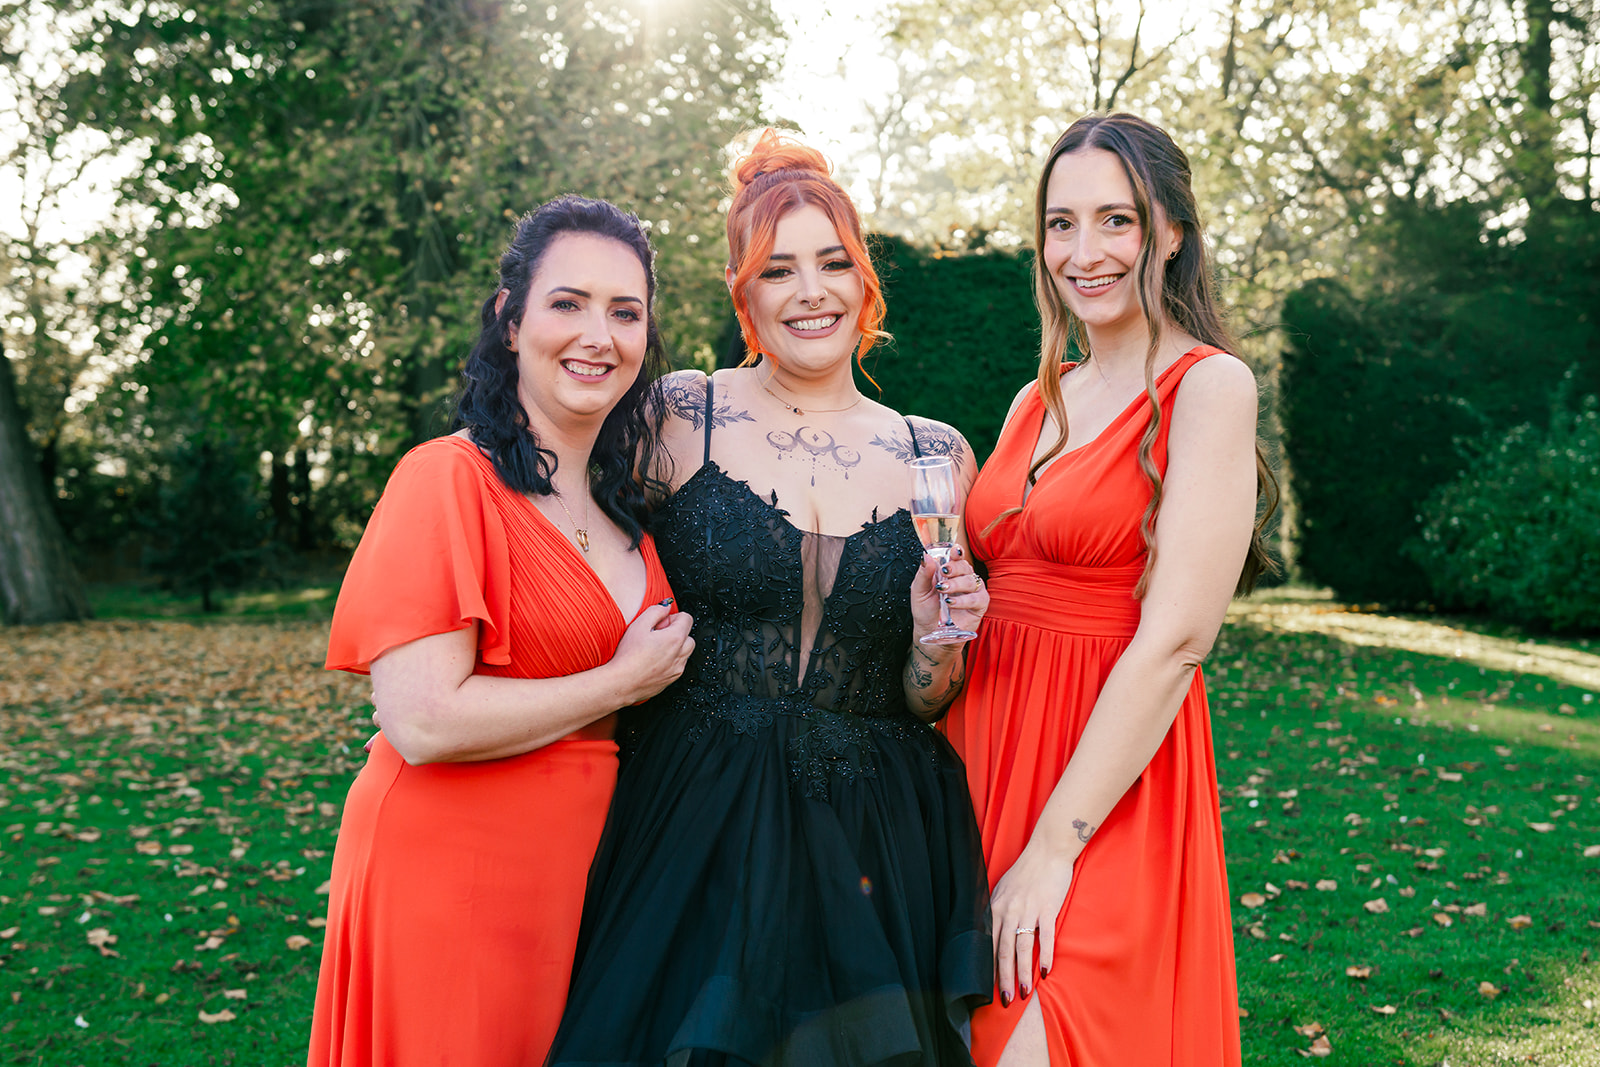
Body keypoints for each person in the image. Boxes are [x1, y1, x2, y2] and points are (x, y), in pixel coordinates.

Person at [548, 130, 993, 1067]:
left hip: (874, 838)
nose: (810, 291)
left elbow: (926, 697)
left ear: (864, 279)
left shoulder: (935, 452)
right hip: (697, 818)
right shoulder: (680, 414)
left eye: (833, 263)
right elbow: (571, 561)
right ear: (743, 290)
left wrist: (935, 640)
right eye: (777, 268)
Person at [307, 195, 696, 1067]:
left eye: (624, 312)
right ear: (510, 319)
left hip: (584, 887)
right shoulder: (445, 480)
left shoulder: (630, 505)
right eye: (569, 303)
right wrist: (617, 683)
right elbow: (422, 720)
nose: (598, 334)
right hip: (454, 873)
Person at [941, 112, 1279, 1066]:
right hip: (981, 754)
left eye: (1115, 221)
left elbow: (1176, 639)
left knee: (1040, 1029)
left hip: (1106, 783)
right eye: (1060, 224)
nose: (1082, 253)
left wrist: (1055, 848)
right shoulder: (1035, 396)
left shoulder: (1210, 388)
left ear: (1171, 232)